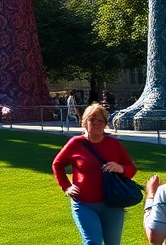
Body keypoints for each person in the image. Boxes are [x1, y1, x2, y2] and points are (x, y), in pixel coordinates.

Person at [52, 103, 137, 245]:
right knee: (92, 242)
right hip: (84, 204)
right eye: (92, 120)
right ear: (84, 122)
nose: (96, 123)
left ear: (105, 124)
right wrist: (66, 186)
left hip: (112, 203)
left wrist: (120, 168)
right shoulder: (76, 143)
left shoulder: (113, 144)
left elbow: (131, 169)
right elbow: (57, 164)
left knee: (113, 243)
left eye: (101, 121)